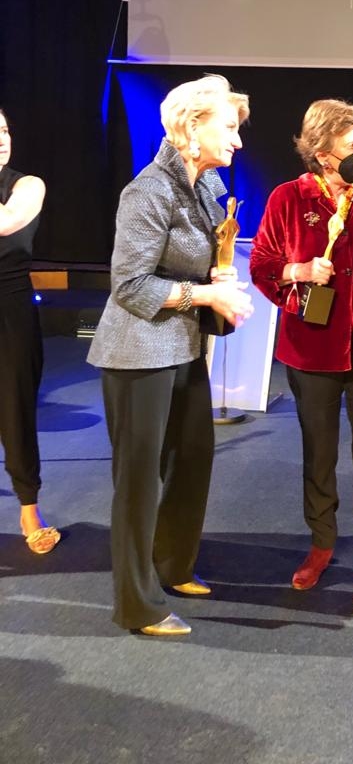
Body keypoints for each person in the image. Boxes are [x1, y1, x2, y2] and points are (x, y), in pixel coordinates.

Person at [88, 76, 253, 637]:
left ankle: (173, 565)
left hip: (182, 346)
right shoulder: (149, 190)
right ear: (191, 126)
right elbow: (129, 285)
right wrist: (207, 296)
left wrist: (219, 281)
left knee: (192, 459)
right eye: (228, 127)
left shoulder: (203, 186)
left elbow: (201, 258)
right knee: (138, 482)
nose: (237, 141)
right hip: (137, 352)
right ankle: (137, 605)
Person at [250, 99, 353, 609]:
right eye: (352, 144)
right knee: (318, 454)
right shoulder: (287, 198)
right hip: (311, 348)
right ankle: (321, 543)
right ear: (323, 154)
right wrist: (299, 271)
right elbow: (262, 265)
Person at [0, 109, 60, 555]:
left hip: (10, 308)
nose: (2, 139)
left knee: (15, 408)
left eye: (4, 130)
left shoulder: (27, 185)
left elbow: (6, 223)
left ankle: (29, 510)